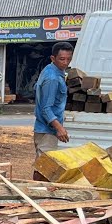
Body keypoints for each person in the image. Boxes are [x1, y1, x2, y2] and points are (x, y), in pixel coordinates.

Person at [33, 42, 74, 177]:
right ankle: (36, 193)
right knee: (44, 166)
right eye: (62, 59)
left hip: (46, 129)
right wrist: (59, 128)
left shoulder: (52, 70)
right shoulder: (53, 78)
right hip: (47, 130)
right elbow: (46, 108)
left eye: (69, 59)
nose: (65, 63)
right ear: (53, 58)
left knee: (44, 164)